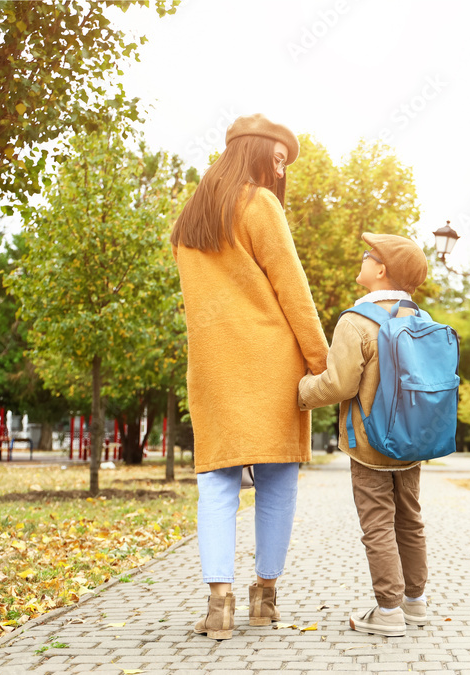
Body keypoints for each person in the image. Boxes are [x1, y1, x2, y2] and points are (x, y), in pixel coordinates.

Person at [171, 113, 329, 640]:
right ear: (255, 153)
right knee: (277, 482)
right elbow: (292, 285)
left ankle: (219, 605)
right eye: (277, 159)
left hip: (214, 366)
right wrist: (321, 361)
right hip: (269, 363)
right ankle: (265, 597)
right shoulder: (258, 203)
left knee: (216, 483)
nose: (280, 172)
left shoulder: (190, 219)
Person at [298, 233, 430, 637]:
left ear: (381, 270)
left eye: (367, 255)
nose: (362, 258)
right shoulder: (420, 320)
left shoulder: (355, 322)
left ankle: (388, 612)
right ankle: (415, 603)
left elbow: (339, 385)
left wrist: (301, 392)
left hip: (369, 443)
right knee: (409, 520)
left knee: (377, 523)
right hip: (411, 440)